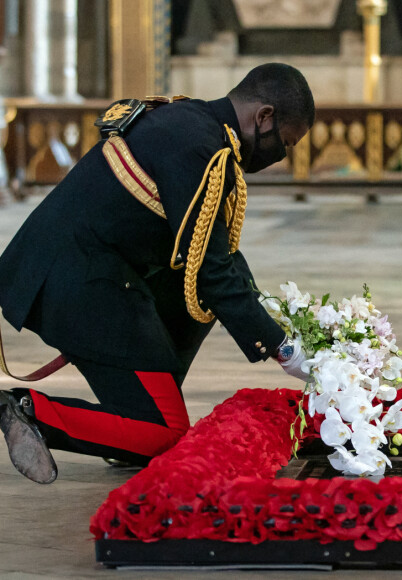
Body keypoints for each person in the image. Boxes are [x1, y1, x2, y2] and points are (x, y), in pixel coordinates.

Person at [0, 63, 315, 484]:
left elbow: (218, 253)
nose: (281, 155)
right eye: (286, 143)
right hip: (72, 278)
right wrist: (283, 350)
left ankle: (128, 422)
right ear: (264, 117)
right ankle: (25, 410)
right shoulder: (200, 146)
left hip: (94, 268)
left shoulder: (194, 124)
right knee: (165, 436)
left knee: (196, 301)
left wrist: (281, 322)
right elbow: (213, 272)